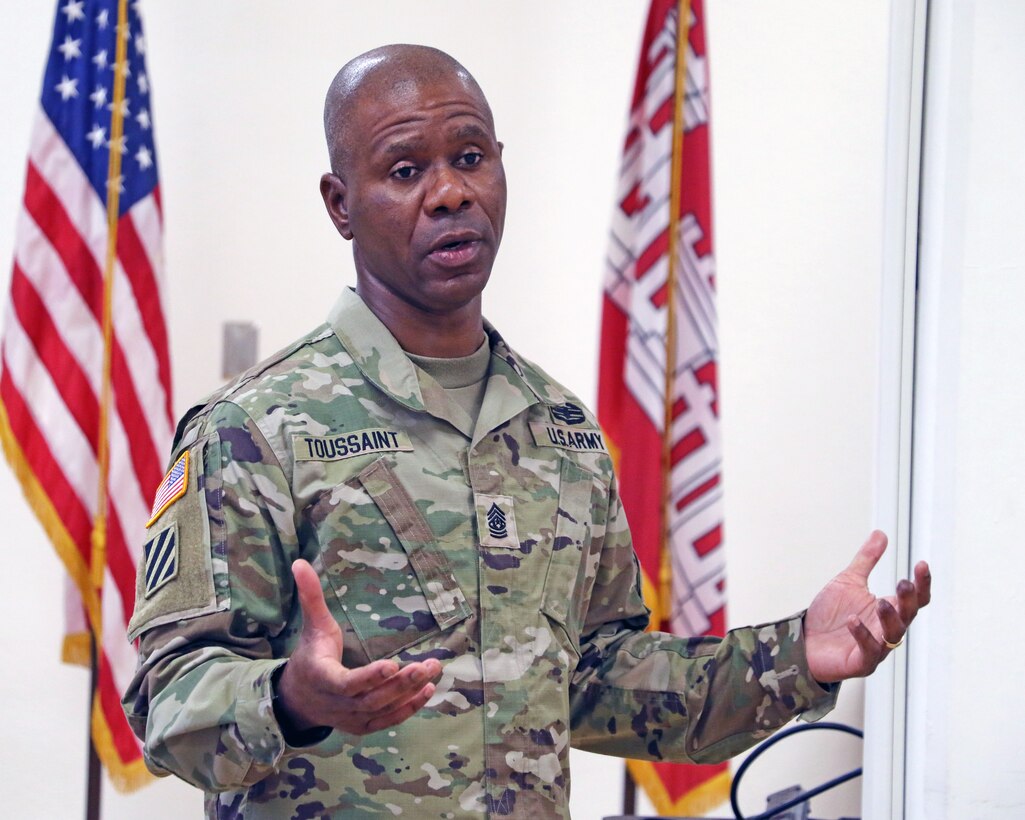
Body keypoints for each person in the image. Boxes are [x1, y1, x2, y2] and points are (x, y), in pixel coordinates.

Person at [123, 45, 931, 819]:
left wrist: (795, 658)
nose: (449, 193)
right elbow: (166, 701)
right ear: (341, 204)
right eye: (405, 171)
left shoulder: (560, 431)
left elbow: (597, 681)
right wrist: (291, 700)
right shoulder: (258, 425)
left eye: (471, 158)